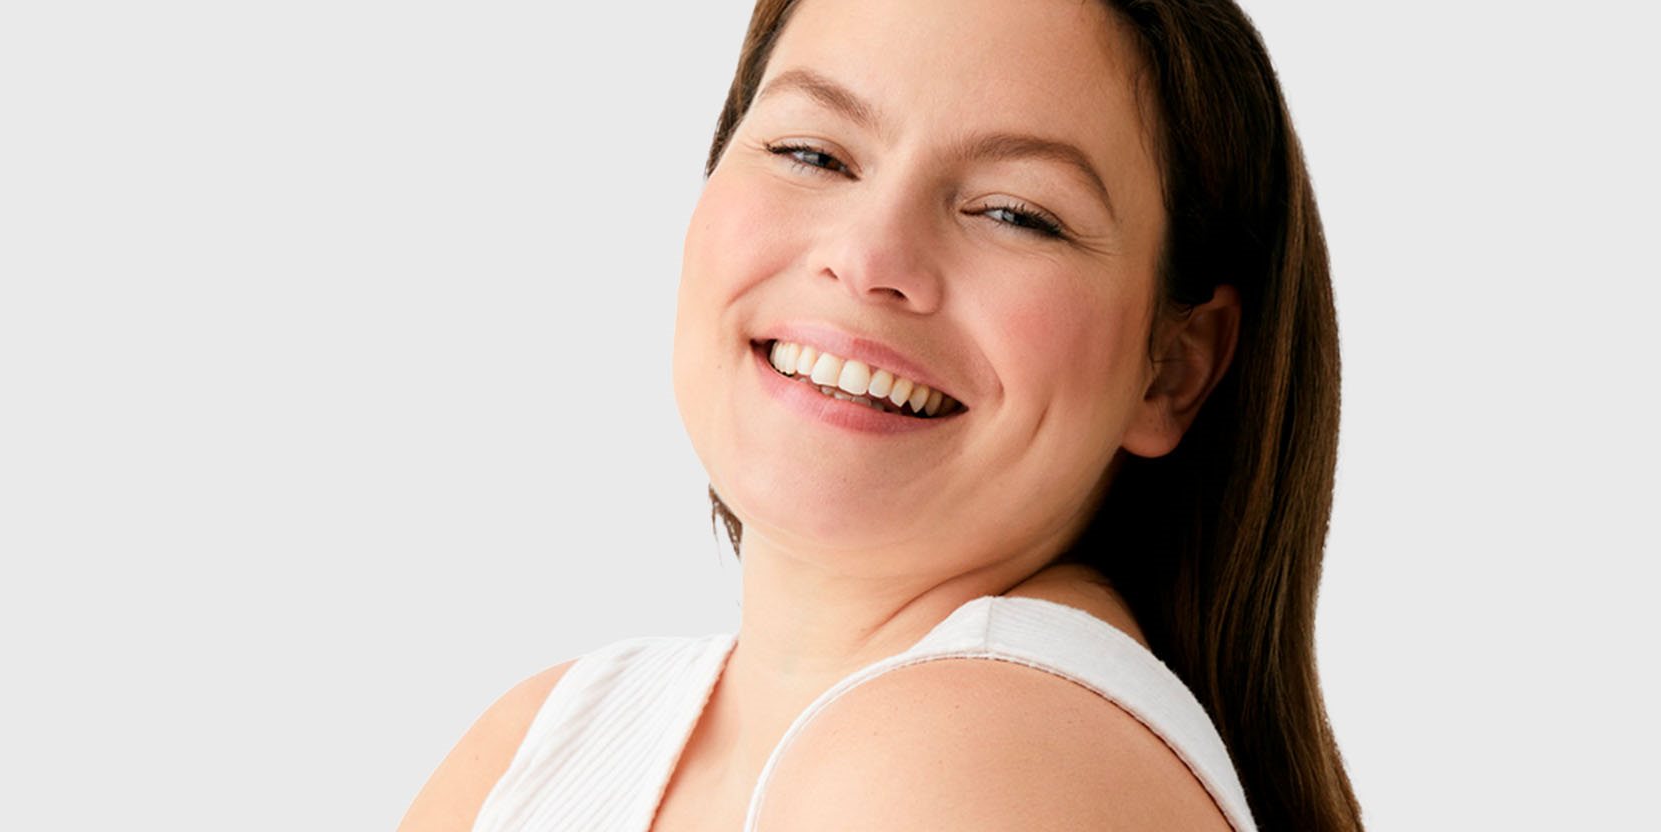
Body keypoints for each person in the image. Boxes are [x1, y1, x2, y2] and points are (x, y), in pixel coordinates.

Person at [400, 0, 1359, 829]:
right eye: (811, 153)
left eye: (1015, 213)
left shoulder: (973, 763)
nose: (867, 259)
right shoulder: (548, 736)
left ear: (1172, 371)